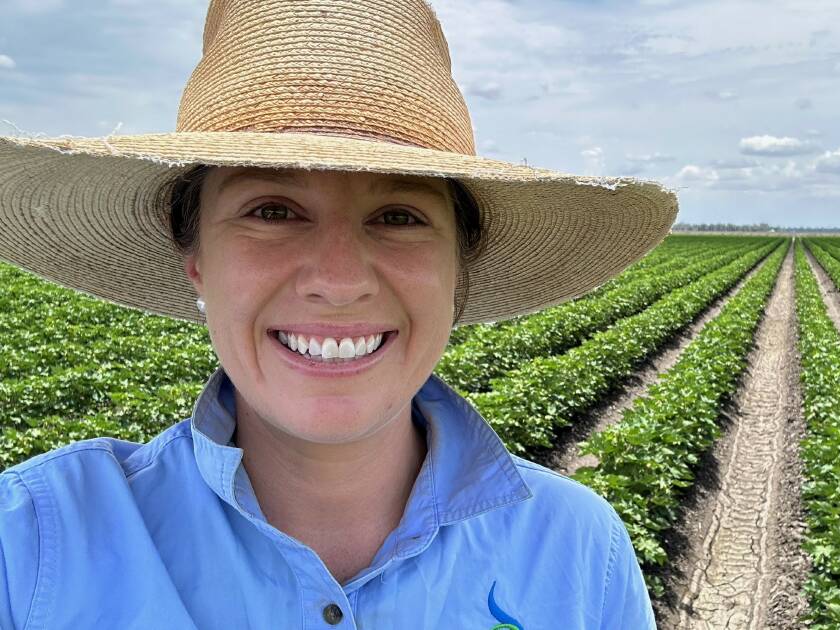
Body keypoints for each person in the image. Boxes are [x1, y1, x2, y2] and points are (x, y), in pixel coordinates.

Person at [0, 0, 676, 628]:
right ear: (196, 258)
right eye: (272, 211)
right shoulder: (31, 546)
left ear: (456, 271)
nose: (338, 280)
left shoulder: (580, 555)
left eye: (398, 216)